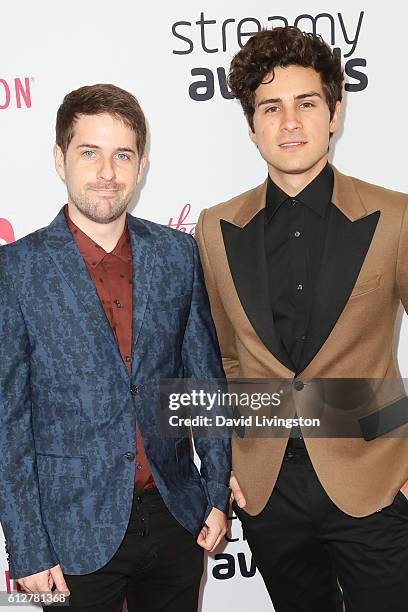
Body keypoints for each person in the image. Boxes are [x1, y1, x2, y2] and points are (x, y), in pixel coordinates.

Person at [195, 27, 408, 612]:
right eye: (272, 108)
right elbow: (226, 358)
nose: (290, 122)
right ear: (251, 125)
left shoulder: (394, 217)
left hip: (377, 485)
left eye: (307, 103)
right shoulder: (215, 228)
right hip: (269, 495)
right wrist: (235, 458)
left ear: (335, 113)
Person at [0, 83, 230, 612]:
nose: (107, 172)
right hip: (70, 535)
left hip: (176, 519)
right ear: (60, 160)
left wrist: (216, 491)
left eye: (122, 154)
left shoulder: (177, 254)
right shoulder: (17, 272)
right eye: (90, 153)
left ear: (141, 165)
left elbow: (204, 385)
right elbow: (9, 422)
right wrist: (28, 547)